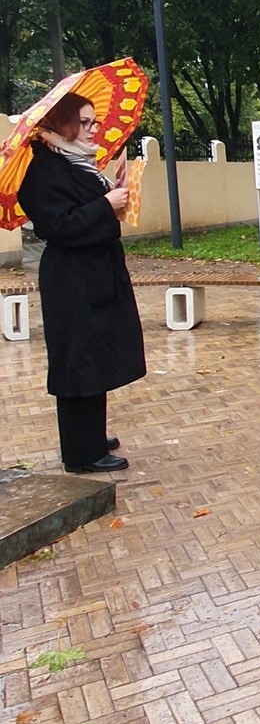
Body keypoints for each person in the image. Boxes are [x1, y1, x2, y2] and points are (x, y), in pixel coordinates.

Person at [16, 92, 144, 473]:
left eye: (94, 122)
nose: (93, 130)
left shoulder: (77, 162)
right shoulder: (42, 168)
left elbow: (87, 207)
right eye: (85, 123)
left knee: (96, 355)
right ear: (62, 123)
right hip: (71, 278)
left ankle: (89, 435)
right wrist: (106, 205)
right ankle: (80, 452)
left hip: (94, 272)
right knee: (78, 361)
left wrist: (116, 189)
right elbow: (59, 225)